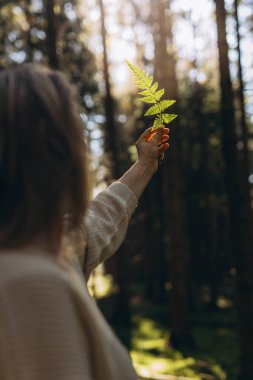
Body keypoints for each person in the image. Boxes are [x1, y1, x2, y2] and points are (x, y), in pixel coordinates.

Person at [0, 64, 170, 380]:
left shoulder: (47, 244)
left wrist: (145, 165)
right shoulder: (29, 284)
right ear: (56, 157)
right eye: (76, 136)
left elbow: (98, 221)